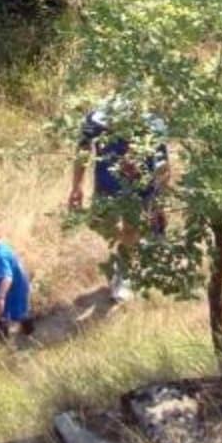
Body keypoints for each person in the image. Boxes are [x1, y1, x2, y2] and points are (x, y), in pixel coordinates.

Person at [69, 100, 171, 302]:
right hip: (106, 185)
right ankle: (135, 245)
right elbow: (82, 151)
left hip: (140, 187)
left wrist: (160, 201)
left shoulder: (152, 125)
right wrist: (76, 186)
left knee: (130, 229)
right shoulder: (95, 121)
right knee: (98, 222)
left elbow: (163, 165)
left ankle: (124, 273)